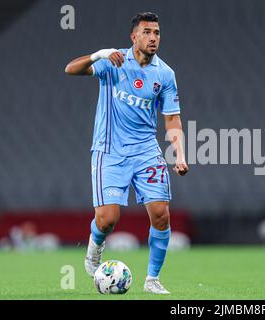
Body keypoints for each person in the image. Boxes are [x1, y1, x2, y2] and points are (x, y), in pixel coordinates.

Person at [65, 12, 189, 294]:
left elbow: (172, 119)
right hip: (110, 151)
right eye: (147, 32)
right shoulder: (113, 62)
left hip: (146, 151)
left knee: (161, 214)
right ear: (134, 37)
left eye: (156, 32)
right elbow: (70, 69)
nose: (153, 37)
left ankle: (152, 279)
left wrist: (179, 153)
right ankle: (95, 244)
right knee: (108, 219)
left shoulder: (165, 74)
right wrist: (99, 55)